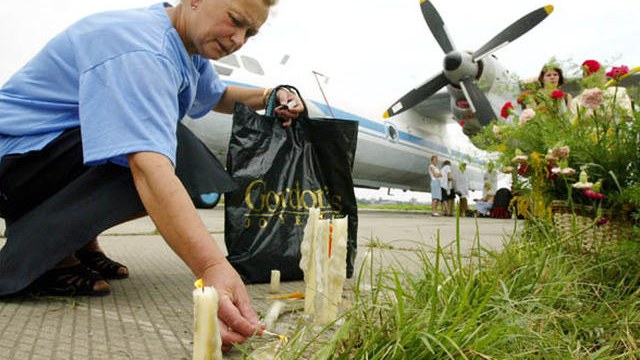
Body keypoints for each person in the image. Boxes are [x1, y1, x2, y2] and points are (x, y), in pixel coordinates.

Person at [0, 0, 304, 351]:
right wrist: (213, 267)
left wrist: (270, 94)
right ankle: (41, 253)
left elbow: (215, 95)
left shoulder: (187, 49)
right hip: (14, 165)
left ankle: (79, 241)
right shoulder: (142, 49)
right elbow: (148, 169)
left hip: (45, 156)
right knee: (174, 153)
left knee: (187, 160)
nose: (238, 39)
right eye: (234, 21)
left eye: (250, 32)